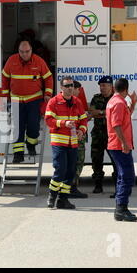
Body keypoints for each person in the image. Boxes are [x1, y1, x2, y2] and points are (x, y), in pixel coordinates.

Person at [1, 38, 54, 164]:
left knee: (33, 126)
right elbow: (4, 79)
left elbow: (48, 78)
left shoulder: (39, 61)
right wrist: (4, 98)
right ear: (18, 51)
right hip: (16, 101)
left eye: (27, 51)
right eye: (21, 51)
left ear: (31, 50)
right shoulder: (11, 60)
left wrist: (48, 94)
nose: (24, 54)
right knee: (17, 128)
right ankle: (18, 154)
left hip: (33, 100)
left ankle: (31, 145)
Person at [45, 76, 88, 209]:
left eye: (71, 86)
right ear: (62, 88)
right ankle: (52, 196)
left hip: (73, 143)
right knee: (60, 169)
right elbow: (48, 120)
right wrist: (63, 123)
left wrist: (82, 130)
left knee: (70, 172)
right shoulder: (53, 102)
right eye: (67, 86)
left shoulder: (77, 102)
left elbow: (83, 119)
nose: (70, 88)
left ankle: (62, 200)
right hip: (59, 142)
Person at [106, 78, 137, 221]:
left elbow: (124, 118)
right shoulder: (119, 103)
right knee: (127, 176)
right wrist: (124, 143)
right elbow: (116, 125)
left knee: (122, 176)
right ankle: (121, 209)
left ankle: (120, 208)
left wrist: (133, 103)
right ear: (126, 89)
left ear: (114, 88)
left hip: (117, 145)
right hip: (119, 146)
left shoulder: (115, 101)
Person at [89, 76, 118, 196]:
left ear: (111, 86)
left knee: (116, 161)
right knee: (96, 160)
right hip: (98, 134)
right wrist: (105, 113)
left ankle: (118, 186)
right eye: (101, 85)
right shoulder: (96, 98)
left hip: (112, 135)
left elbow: (116, 114)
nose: (102, 88)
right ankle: (98, 185)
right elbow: (92, 113)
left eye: (104, 85)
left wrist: (100, 113)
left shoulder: (116, 98)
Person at [69, 81, 89, 199]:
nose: (79, 91)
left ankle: (71, 187)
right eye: (78, 89)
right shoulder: (75, 102)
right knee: (77, 162)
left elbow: (82, 118)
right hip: (75, 137)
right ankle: (72, 188)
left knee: (74, 162)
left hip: (75, 135)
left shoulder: (75, 102)